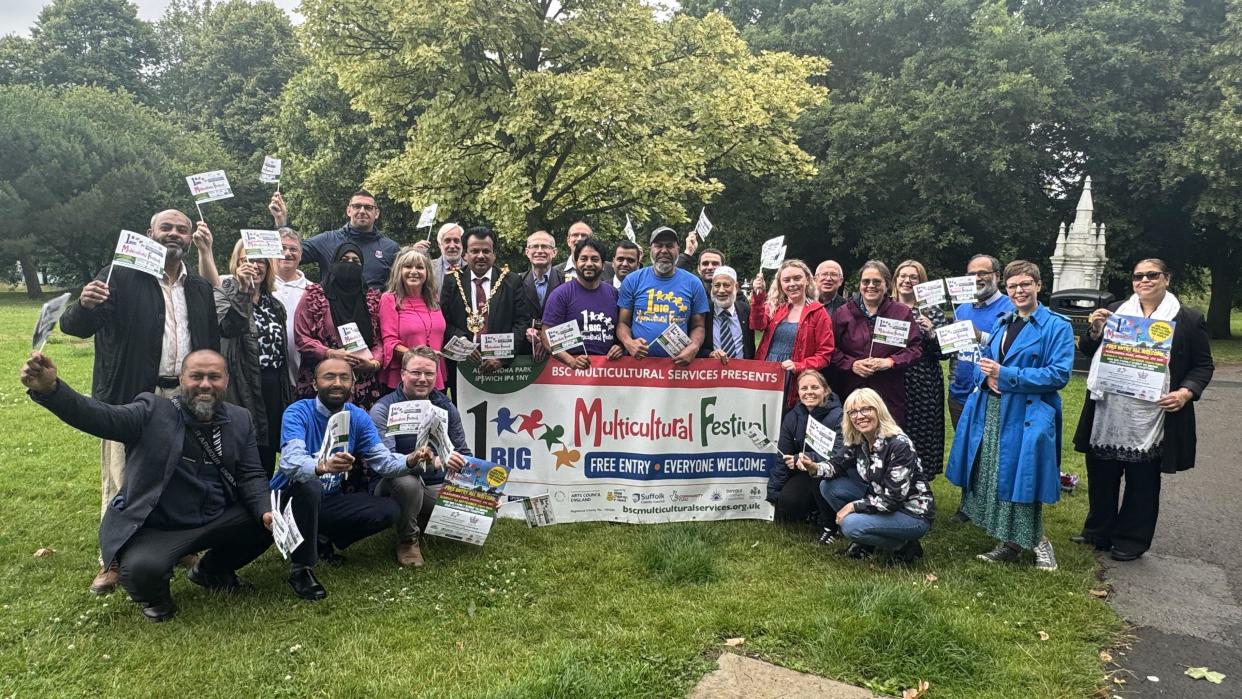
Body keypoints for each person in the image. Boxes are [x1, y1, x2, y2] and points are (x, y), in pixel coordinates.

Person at [22, 350, 277, 622]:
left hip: (215, 516)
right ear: (181, 379)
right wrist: (52, 389)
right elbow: (99, 416)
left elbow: (251, 475)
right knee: (141, 571)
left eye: (214, 377)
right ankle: (156, 598)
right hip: (160, 526)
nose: (205, 384)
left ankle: (211, 570)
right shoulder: (151, 411)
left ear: (226, 380)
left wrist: (266, 511)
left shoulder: (240, 419)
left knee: (275, 520)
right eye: (196, 376)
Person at [60, 209, 223, 595]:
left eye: (182, 230)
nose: (174, 234)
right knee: (123, 477)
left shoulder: (197, 287)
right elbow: (74, 326)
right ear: (150, 233)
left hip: (184, 395)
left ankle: (180, 545)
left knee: (182, 473)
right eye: (166, 228)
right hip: (132, 394)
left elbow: (214, 340)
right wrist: (86, 304)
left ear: (189, 238)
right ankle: (113, 557)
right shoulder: (119, 275)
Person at [1073, 258, 1214, 561]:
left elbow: (1203, 365)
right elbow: (1087, 349)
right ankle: (1098, 531)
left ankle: (1131, 539)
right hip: (1110, 407)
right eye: (1138, 276)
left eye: (1152, 275)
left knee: (1142, 479)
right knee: (1102, 473)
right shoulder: (1117, 311)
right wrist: (1096, 330)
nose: (1144, 281)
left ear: (1167, 278)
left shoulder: (1187, 318)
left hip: (1151, 413)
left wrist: (1186, 392)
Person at [946, 260, 1073, 571]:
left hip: (1028, 413)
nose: (1019, 291)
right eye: (1013, 286)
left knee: (1024, 479)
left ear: (1039, 286)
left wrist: (1006, 375)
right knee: (997, 477)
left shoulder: (1057, 326)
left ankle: (1041, 543)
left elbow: (1059, 374)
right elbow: (985, 360)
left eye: (1025, 285)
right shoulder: (1005, 322)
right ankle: (1010, 541)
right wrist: (987, 378)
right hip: (993, 409)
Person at [275, 358, 433, 594]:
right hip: (289, 497)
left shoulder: (358, 416)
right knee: (310, 486)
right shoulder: (298, 412)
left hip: (328, 498)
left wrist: (411, 459)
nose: (337, 383)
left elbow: (383, 461)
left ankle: (322, 537)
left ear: (353, 382)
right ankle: (301, 569)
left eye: (344, 377)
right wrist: (322, 466)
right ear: (316, 383)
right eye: (329, 377)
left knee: (388, 510)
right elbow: (290, 462)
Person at [369, 346, 471, 566]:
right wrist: (421, 461)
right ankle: (408, 540)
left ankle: (421, 518)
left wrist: (484, 492)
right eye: (416, 372)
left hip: (435, 484)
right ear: (403, 373)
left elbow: (463, 453)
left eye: (429, 373)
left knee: (486, 516)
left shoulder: (446, 406)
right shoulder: (383, 409)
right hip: (393, 484)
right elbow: (384, 463)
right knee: (407, 483)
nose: (422, 379)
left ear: (437, 375)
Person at [812, 388, 934, 563]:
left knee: (850, 525)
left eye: (866, 409)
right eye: (853, 412)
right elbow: (836, 465)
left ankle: (905, 546)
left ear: (878, 410)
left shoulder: (899, 445)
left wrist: (853, 506)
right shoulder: (860, 439)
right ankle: (867, 542)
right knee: (828, 486)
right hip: (879, 501)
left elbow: (893, 500)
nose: (859, 416)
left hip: (911, 513)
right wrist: (814, 467)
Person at [215, 240, 294, 475]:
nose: (254, 266)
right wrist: (243, 292)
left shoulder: (274, 303)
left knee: (267, 449)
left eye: (260, 260)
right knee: (242, 448)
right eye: (247, 260)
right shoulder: (223, 292)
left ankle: (264, 505)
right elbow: (228, 327)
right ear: (236, 264)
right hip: (241, 383)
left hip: (272, 384)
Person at [294, 242, 385, 410]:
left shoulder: (372, 299)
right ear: (334, 263)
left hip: (361, 381)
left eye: (355, 261)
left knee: (357, 430)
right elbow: (302, 338)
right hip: (322, 379)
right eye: (344, 259)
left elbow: (379, 340)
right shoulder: (314, 295)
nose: (349, 264)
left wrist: (374, 363)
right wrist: (330, 353)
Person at [830, 260, 922, 426]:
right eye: (866, 281)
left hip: (889, 391)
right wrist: (852, 364)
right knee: (854, 440)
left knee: (887, 442)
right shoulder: (843, 313)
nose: (870, 286)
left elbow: (915, 349)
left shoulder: (901, 312)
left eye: (877, 281)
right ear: (860, 285)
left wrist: (891, 361)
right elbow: (831, 349)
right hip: (853, 389)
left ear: (886, 284)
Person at [440, 227, 531, 387]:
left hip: (501, 367)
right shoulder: (452, 281)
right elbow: (444, 321)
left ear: (494, 255)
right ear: (465, 254)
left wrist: (502, 358)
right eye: (474, 251)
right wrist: (462, 343)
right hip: (463, 366)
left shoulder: (511, 281)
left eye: (486, 251)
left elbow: (521, 322)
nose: (480, 256)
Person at [616, 226, 708, 366]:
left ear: (678, 249)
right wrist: (628, 342)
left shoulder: (694, 283)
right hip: (638, 366)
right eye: (658, 246)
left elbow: (699, 326)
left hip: (677, 368)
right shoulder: (633, 280)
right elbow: (623, 323)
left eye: (670, 246)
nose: (664, 251)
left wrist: (693, 347)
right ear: (650, 249)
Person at [768, 370, 844, 541]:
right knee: (787, 506)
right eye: (804, 388)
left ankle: (830, 525)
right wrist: (774, 494)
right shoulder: (792, 416)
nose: (809, 392)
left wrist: (807, 458)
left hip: (833, 473)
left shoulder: (839, 415)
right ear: (799, 393)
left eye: (815, 387)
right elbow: (782, 457)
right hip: (803, 473)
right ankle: (813, 511)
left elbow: (840, 454)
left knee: (818, 474)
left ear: (826, 391)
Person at [751, 259, 834, 410]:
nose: (792, 284)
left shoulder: (818, 313)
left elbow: (825, 355)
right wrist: (758, 297)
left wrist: (798, 366)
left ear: (807, 280)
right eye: (786, 280)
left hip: (795, 377)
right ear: (780, 284)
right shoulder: (777, 308)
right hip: (768, 373)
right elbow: (757, 325)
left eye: (797, 278)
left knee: (787, 420)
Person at [891, 259, 948, 475]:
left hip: (923, 381)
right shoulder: (886, 307)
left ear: (921, 282)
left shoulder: (932, 312)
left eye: (913, 277)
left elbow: (946, 353)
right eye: (902, 276)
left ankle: (919, 485)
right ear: (895, 280)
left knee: (922, 434)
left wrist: (932, 332)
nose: (907, 280)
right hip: (893, 378)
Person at [948, 254, 1014, 426]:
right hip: (958, 397)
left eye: (983, 273)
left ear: (997, 276)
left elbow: (1014, 348)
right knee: (963, 452)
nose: (976, 278)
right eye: (971, 275)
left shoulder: (1012, 308)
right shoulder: (961, 309)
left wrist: (981, 336)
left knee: (988, 452)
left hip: (990, 396)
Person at [541, 237, 624, 368]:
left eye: (595, 259)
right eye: (584, 259)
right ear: (575, 263)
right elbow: (546, 336)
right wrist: (570, 361)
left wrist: (620, 347)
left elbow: (622, 328)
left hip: (607, 374)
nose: (589, 264)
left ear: (603, 265)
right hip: (569, 374)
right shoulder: (561, 294)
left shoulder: (614, 294)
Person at [298, 190, 401, 289]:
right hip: (332, 305)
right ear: (348, 211)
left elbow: (404, 281)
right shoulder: (326, 241)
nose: (362, 211)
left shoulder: (390, 248)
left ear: (376, 213)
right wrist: (281, 225)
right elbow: (287, 254)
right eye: (356, 206)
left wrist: (415, 254)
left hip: (374, 305)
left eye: (368, 207)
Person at [378, 247, 446, 391]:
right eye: (408, 266)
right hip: (404, 379)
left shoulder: (434, 300)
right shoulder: (390, 299)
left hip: (433, 375)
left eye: (420, 267)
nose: (414, 271)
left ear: (427, 272)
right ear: (399, 271)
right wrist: (421, 356)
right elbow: (390, 343)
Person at [518, 230, 565, 359]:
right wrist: (525, 332)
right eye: (534, 246)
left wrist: (548, 340)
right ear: (527, 252)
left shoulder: (567, 283)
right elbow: (511, 318)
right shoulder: (515, 282)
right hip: (524, 355)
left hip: (558, 356)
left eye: (544, 246)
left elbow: (572, 320)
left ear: (554, 252)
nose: (539, 250)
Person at [272, 226, 310, 387]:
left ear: (300, 255)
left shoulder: (313, 290)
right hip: (268, 377)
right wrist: (206, 251)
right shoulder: (256, 286)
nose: (287, 253)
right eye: (282, 248)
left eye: (293, 249)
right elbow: (215, 284)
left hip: (303, 377)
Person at [698, 266, 755, 362]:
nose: (721, 290)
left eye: (726, 285)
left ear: (736, 287)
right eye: (717, 285)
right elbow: (694, 346)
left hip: (741, 373)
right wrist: (710, 354)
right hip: (711, 373)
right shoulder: (703, 312)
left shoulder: (745, 310)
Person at [430, 223, 464, 289]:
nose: (452, 246)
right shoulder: (428, 268)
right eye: (447, 241)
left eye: (456, 241)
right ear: (440, 245)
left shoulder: (471, 269)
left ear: (462, 244)